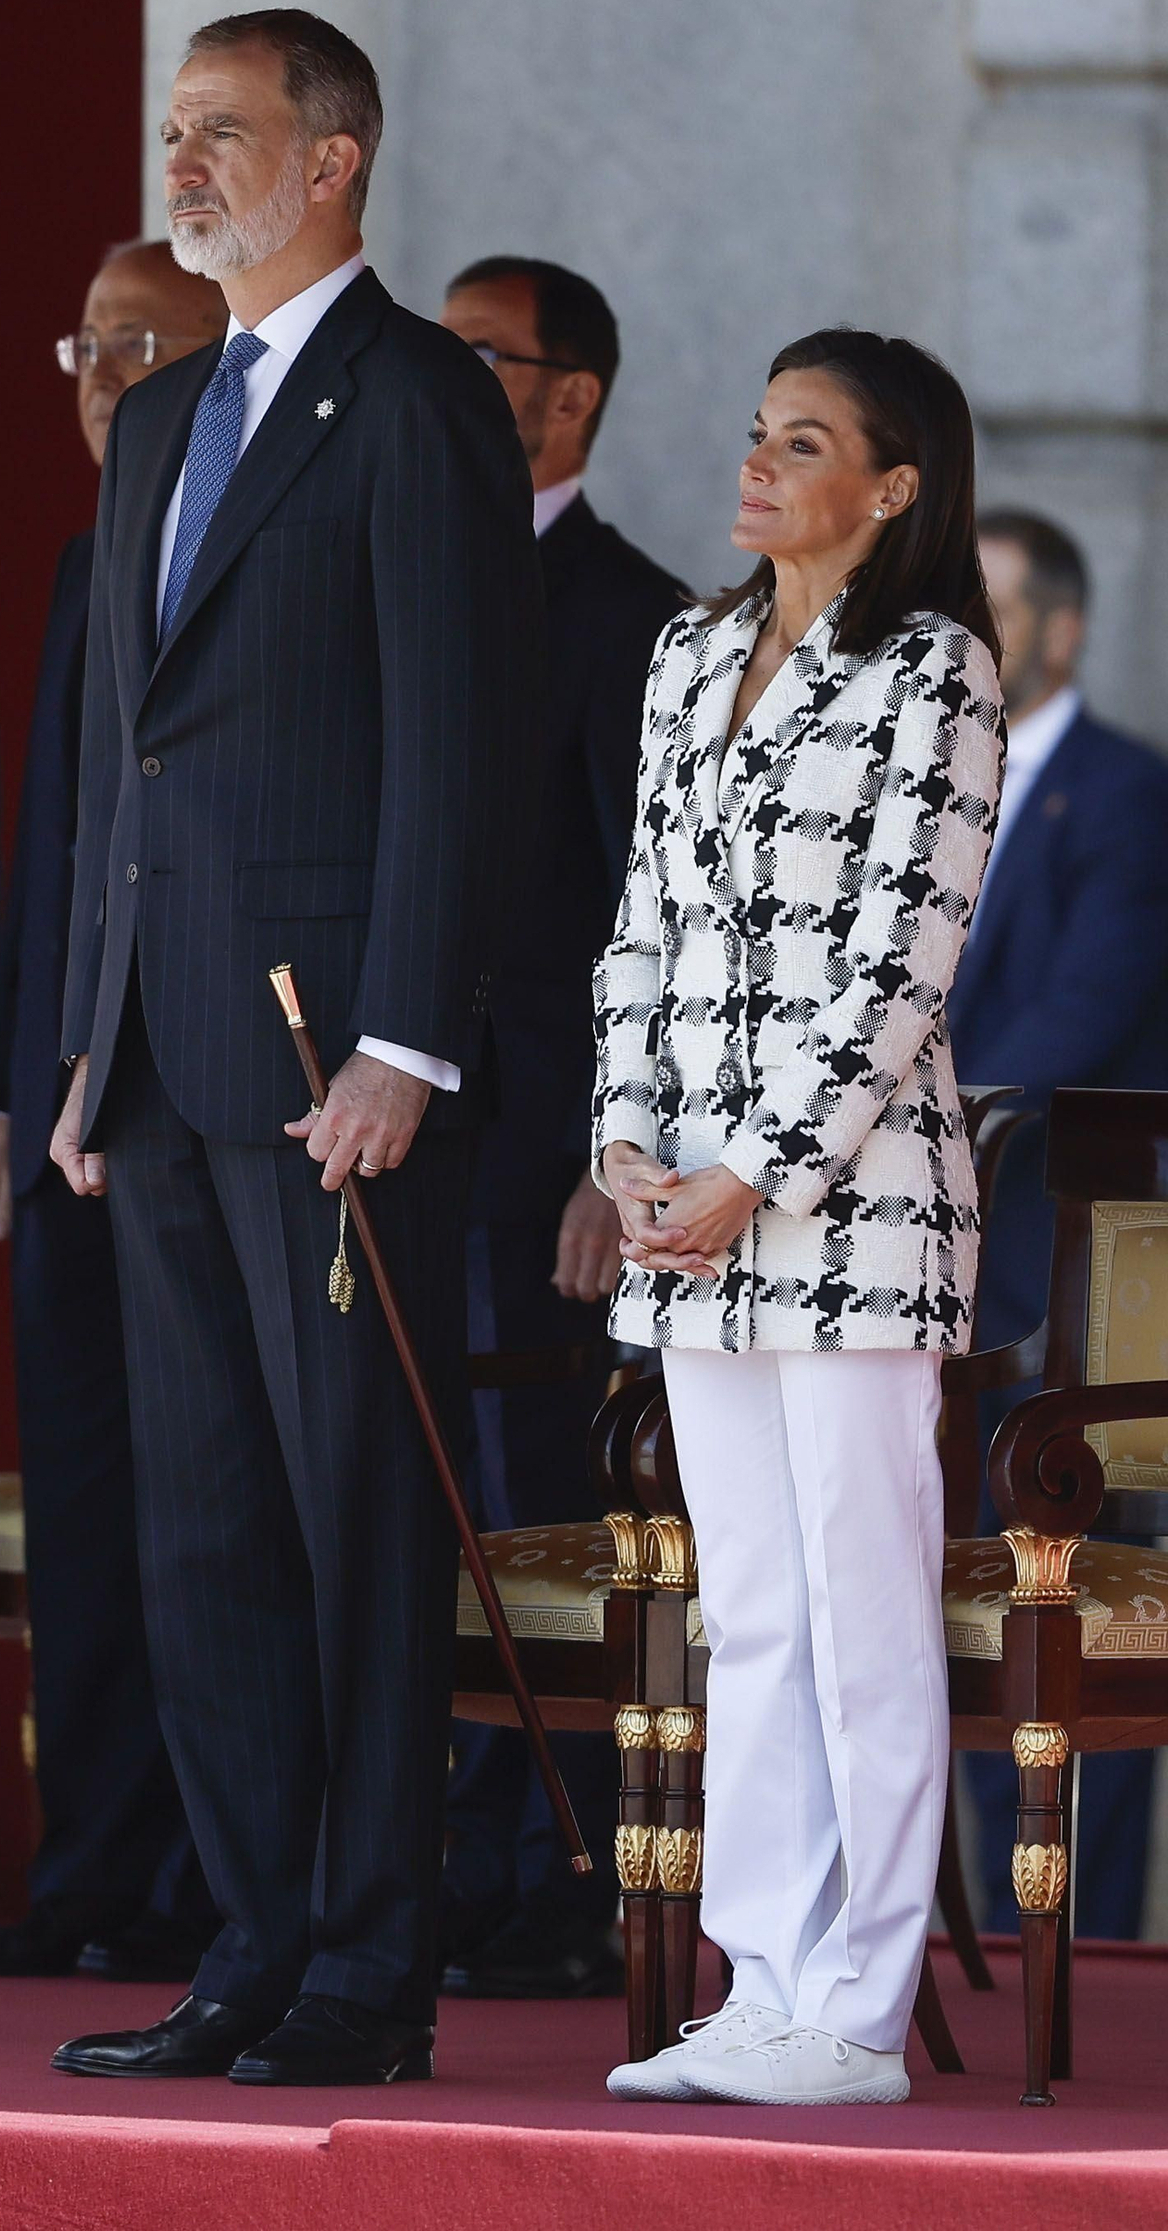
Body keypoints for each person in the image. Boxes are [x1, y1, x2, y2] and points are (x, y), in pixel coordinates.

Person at [46, 9, 541, 2088]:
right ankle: (250, 1941)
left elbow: (460, 743)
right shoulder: (160, 420)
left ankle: (365, 1964)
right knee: (204, 1521)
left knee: (348, 1519)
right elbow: (118, 772)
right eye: (172, 130)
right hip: (159, 1061)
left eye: (222, 132)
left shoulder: (416, 398)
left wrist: (406, 1042)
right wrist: (81, 1052)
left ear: (329, 158)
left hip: (328, 1060)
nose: (185, 163)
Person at [598, 328, 1003, 2106]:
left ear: (894, 486)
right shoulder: (687, 654)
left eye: (807, 440)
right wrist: (624, 1145)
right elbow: (638, 928)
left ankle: (856, 2002)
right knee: (748, 1607)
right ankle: (760, 1976)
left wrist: (755, 1166)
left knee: (860, 1601)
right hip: (681, 1206)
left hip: (855, 1209)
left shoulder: (939, 670)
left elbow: (900, 965)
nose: (759, 464)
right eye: (758, 431)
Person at [0, 241, 227, 1981]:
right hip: (64, 1126)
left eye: (143, 344)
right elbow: (42, 867)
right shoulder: (78, 552)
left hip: (204, 1120)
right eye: (88, 344)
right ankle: (98, 1867)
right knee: (88, 1512)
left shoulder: (260, 564)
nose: (104, 375)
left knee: (213, 1516)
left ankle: (218, 1875)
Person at [436, 256, 687, 2000]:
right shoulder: (408, 565)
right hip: (398, 1117)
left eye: (482, 358)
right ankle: (445, 1850)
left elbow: (641, 909)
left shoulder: (631, 611)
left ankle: (561, 1864)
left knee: (544, 1507)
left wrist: (618, 1146)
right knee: (427, 1503)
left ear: (570, 395)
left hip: (544, 1142)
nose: (451, 382)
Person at [952, 510, 1168, 1941]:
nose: (967, 624)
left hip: (1086, 1277)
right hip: (950, 1278)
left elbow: (1076, 1020)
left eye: (997, 601)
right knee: (966, 1599)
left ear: (1066, 628)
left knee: (1105, 1607)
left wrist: (893, 1110)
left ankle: (1090, 1935)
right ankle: (976, 1933)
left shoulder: (1132, 795)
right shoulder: (924, 779)